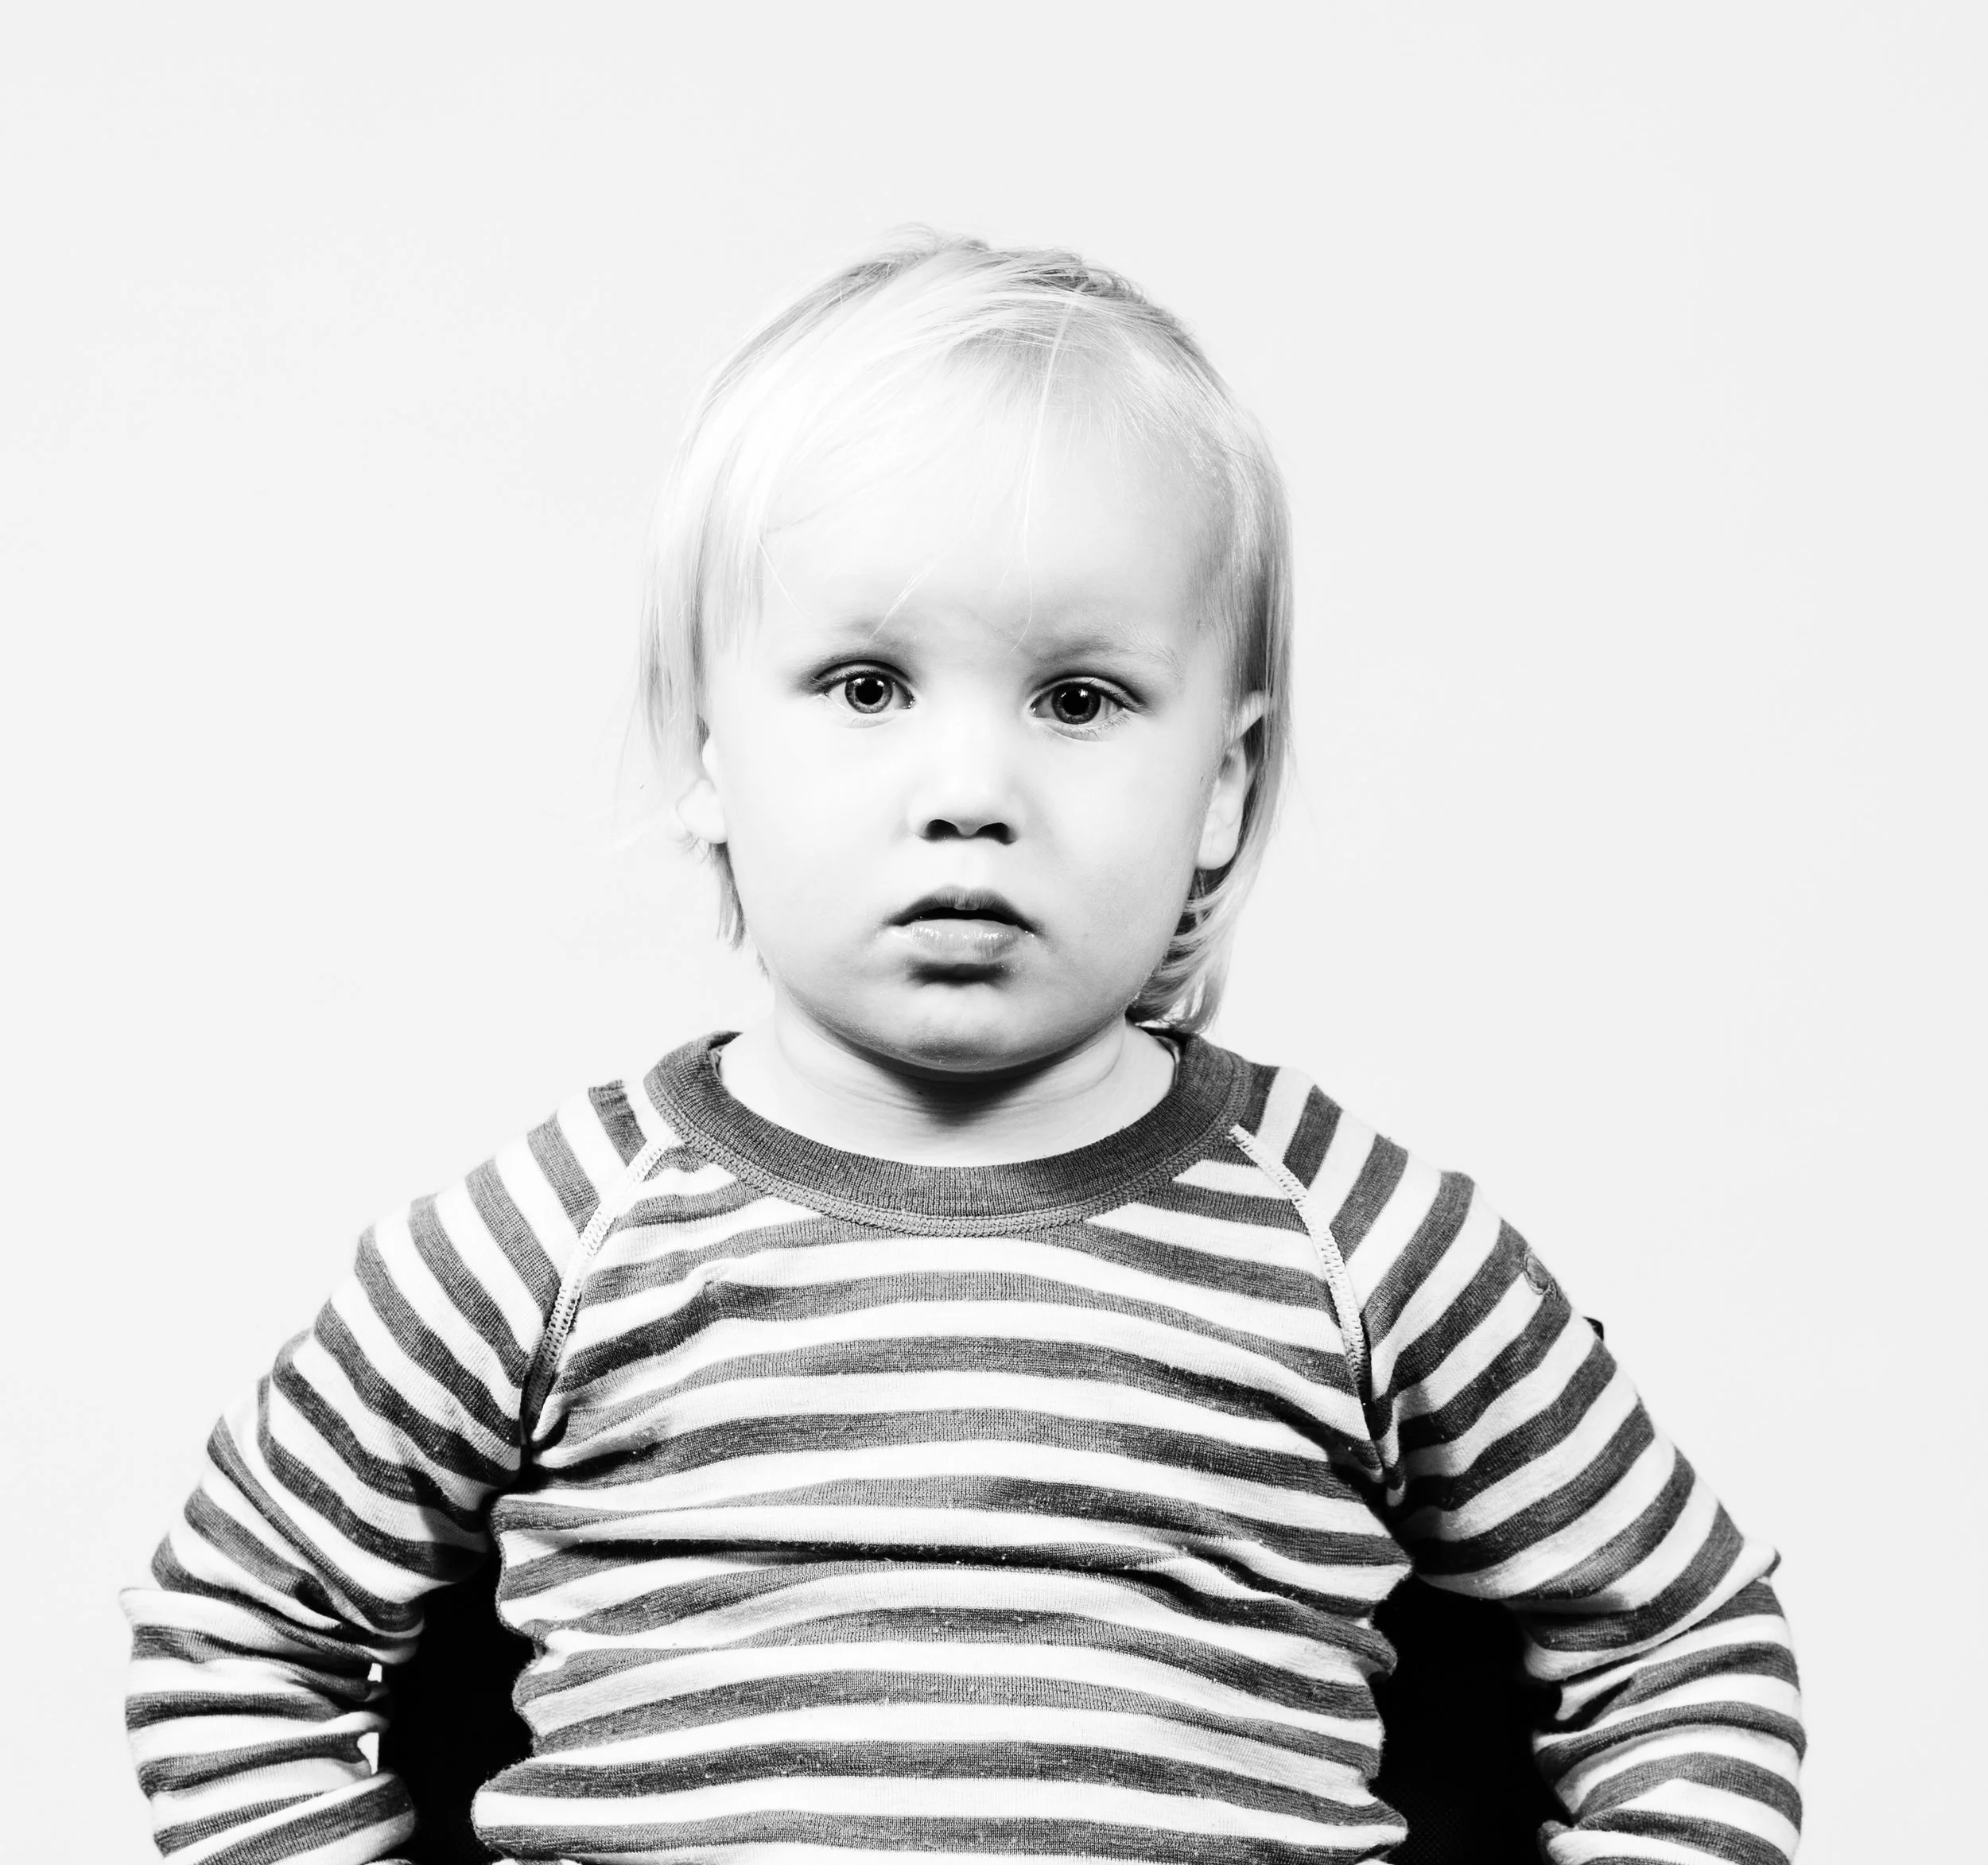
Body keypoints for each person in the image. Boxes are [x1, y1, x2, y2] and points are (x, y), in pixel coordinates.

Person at [122, 233, 1804, 1865]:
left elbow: (1685, 1644)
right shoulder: (548, 1243)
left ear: (1222, 784)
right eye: (866, 685)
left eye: (1078, 699)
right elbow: (231, 1628)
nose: (970, 790)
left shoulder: (1364, 1242)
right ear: (708, 749)